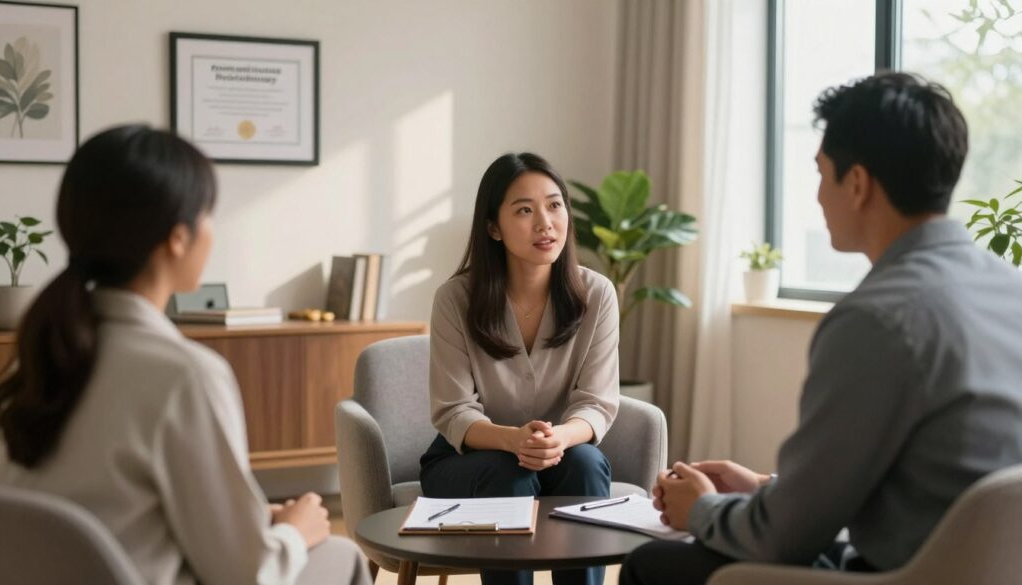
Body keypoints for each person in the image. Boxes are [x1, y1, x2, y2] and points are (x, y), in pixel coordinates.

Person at [621, 72, 1022, 585]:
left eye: (821, 173)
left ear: (857, 184)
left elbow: (783, 540)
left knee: (652, 565)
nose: (816, 195)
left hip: (898, 573)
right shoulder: (1006, 287)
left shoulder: (876, 320)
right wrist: (769, 488)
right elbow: (918, 478)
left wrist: (701, 508)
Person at [0, 125, 370, 585]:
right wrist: (295, 531)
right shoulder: (184, 375)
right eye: (208, 213)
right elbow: (247, 576)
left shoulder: (34, 359)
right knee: (339, 554)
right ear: (177, 238)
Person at [420, 152, 620, 585]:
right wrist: (513, 441)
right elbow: (454, 410)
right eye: (524, 210)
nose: (545, 223)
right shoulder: (455, 299)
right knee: (507, 472)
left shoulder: (597, 294)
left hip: (559, 453)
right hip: (471, 461)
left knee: (585, 464)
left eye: (554, 205)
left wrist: (555, 440)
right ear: (493, 227)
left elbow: (597, 403)